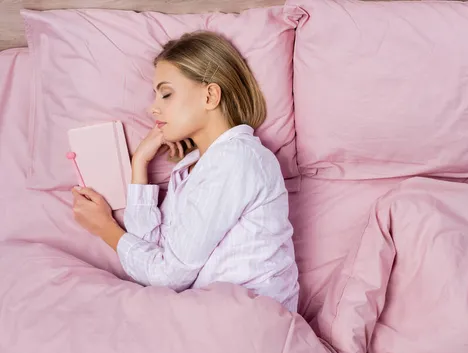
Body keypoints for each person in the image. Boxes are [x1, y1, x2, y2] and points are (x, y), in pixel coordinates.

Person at [70, 31, 300, 313]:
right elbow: (154, 258)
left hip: (249, 319)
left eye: (166, 94)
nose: (152, 108)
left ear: (210, 95)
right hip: (214, 317)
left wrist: (105, 229)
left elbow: (170, 276)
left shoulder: (237, 159)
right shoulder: (193, 167)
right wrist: (140, 163)